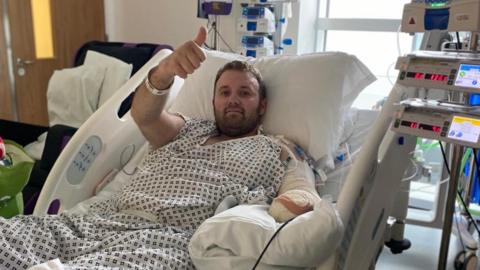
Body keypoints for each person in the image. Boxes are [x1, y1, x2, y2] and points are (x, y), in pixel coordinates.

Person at [0, 27, 317, 270]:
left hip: (165, 241)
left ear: (262, 106)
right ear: (214, 101)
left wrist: (296, 200)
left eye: (244, 92)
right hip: (98, 222)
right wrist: (164, 73)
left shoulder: (276, 149)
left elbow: (299, 192)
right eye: (224, 92)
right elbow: (145, 115)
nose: (233, 99)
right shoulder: (189, 128)